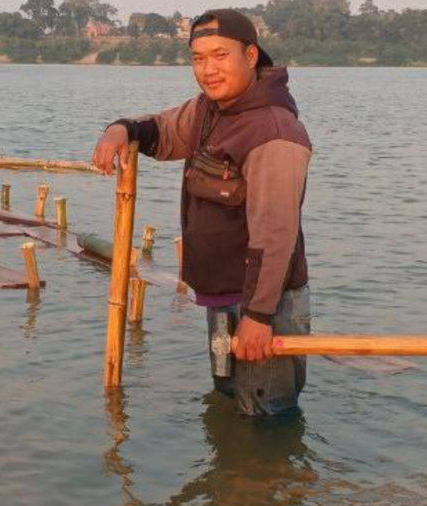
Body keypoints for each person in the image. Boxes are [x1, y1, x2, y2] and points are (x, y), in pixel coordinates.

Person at [93, 9, 313, 416]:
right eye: (198, 58)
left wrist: (259, 316)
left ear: (250, 56)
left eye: (219, 55)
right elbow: (161, 131)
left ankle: (274, 477)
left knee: (266, 419)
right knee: (229, 406)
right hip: (221, 301)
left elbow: (275, 236)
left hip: (264, 307)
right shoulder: (209, 111)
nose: (208, 69)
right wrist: (120, 129)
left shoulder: (274, 132)